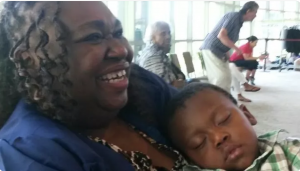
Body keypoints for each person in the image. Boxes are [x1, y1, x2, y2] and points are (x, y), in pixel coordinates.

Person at [0, 2, 188, 171]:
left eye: (117, 33)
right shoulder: (31, 151)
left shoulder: (142, 84)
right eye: (93, 36)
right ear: (32, 60)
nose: (122, 50)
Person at [165, 83, 300, 171]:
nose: (218, 137)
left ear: (247, 115)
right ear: (190, 159)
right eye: (199, 143)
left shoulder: (291, 153)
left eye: (224, 119)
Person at [200, 1, 259, 92]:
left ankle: (226, 100)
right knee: (221, 78)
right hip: (212, 48)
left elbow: (226, 39)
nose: (255, 15)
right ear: (248, 11)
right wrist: (236, 49)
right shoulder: (234, 17)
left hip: (219, 51)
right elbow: (221, 35)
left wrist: (227, 54)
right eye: (255, 12)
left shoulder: (238, 21)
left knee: (227, 76)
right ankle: (219, 102)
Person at [137, 21, 186, 89]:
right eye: (163, 34)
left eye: (169, 33)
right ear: (152, 37)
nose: (168, 37)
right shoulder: (152, 56)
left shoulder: (158, 53)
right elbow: (163, 88)